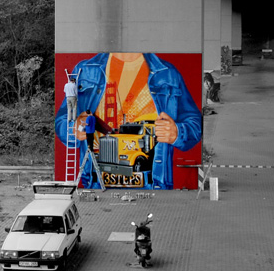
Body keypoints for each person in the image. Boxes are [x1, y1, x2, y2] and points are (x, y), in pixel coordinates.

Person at [54, 52, 202, 190]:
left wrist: (177, 132)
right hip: (96, 184)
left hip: (155, 185)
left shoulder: (169, 74)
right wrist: (74, 129)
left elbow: (195, 124)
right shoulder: (84, 70)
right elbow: (61, 121)